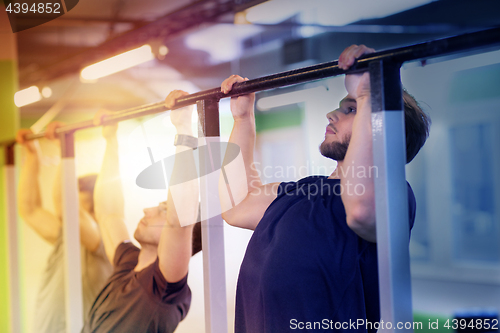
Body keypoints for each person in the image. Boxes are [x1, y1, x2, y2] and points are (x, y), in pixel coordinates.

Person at [219, 45, 431, 332]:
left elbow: (358, 211)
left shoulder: (391, 194)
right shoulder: (304, 191)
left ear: (385, 130)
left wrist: (373, 92)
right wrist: (242, 119)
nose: (332, 113)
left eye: (351, 109)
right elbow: (235, 207)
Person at [81, 90, 201, 333]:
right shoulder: (129, 261)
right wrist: (110, 140)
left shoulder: (164, 285)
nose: (147, 210)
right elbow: (108, 213)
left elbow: (180, 221)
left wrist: (183, 128)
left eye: (162, 210)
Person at [16, 124, 113, 333]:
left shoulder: (104, 244)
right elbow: (29, 208)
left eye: (83, 209)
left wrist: (66, 148)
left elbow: (67, 210)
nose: (76, 213)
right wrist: (33, 156)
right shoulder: (67, 239)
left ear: (97, 212)